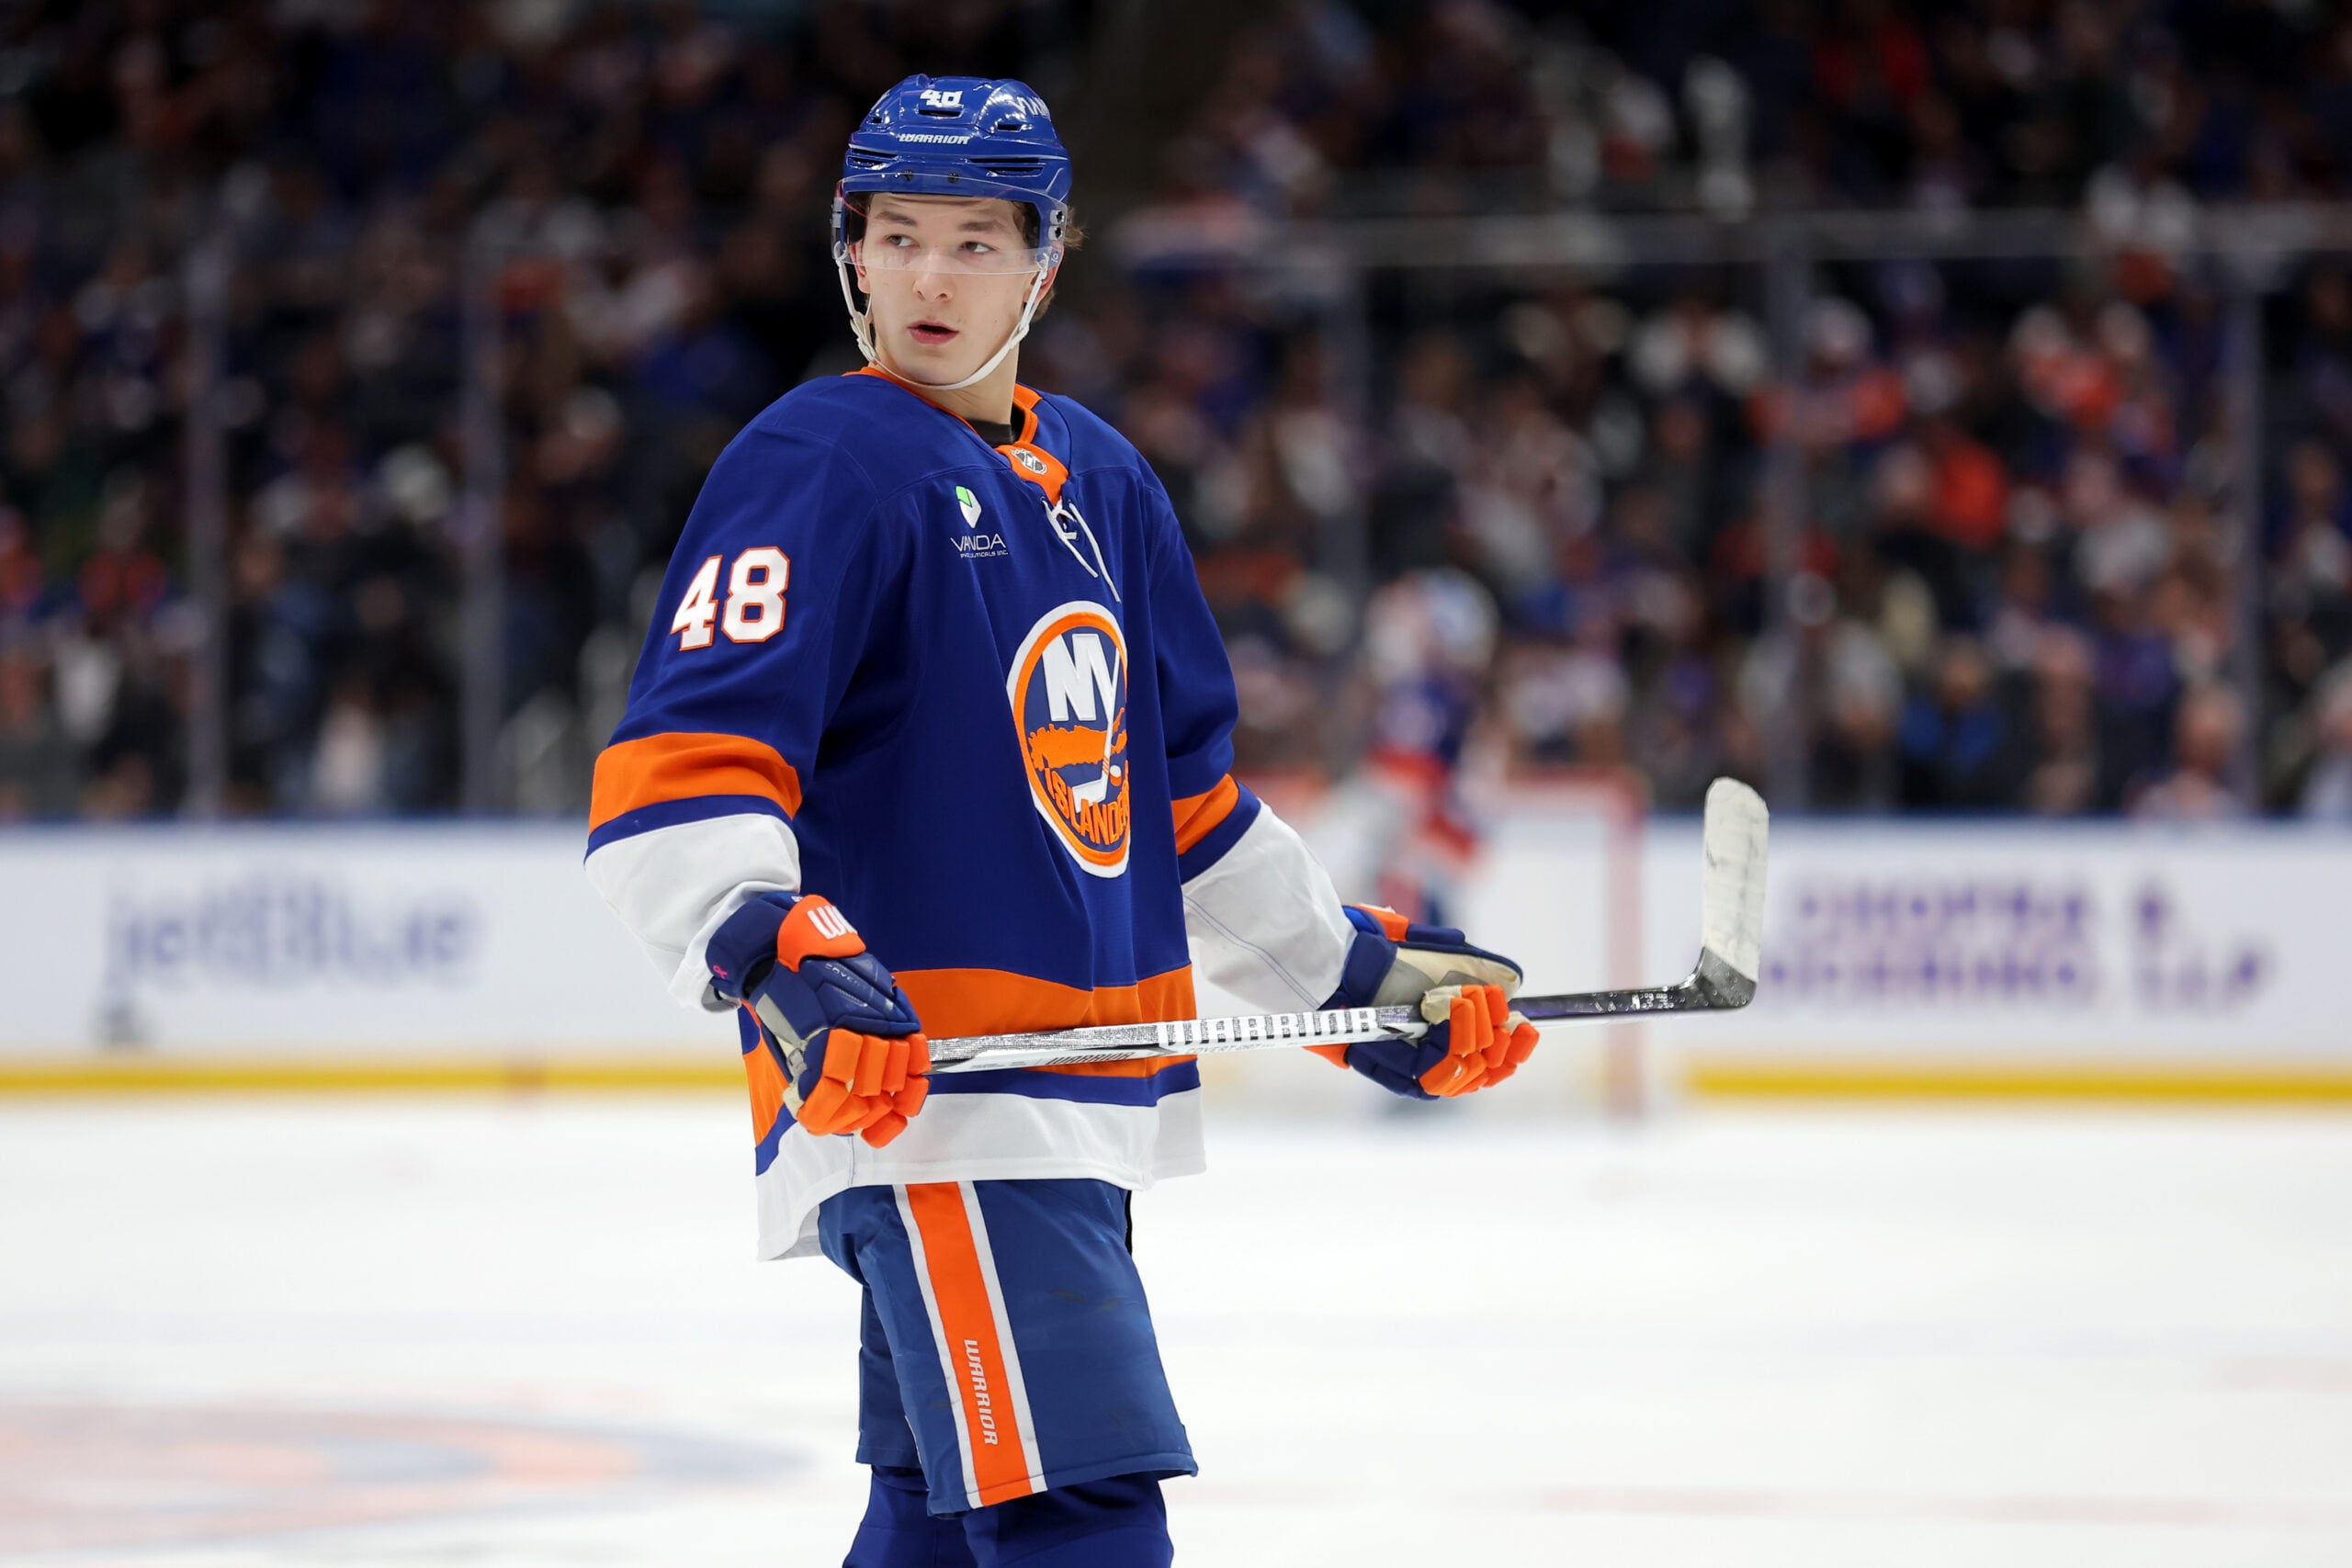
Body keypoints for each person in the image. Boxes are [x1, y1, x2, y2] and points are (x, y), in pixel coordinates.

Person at [584, 75, 1542, 1568]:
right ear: (850, 253)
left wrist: (1354, 982)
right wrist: (775, 952)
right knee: (1082, 1520)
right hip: (938, 1103)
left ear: (1045, 262)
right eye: (898, 237)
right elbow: (680, 771)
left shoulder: (1104, 479)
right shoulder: (822, 458)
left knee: (935, 1523)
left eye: (975, 242)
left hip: (1069, 1108)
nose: (929, 279)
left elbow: (1185, 812)